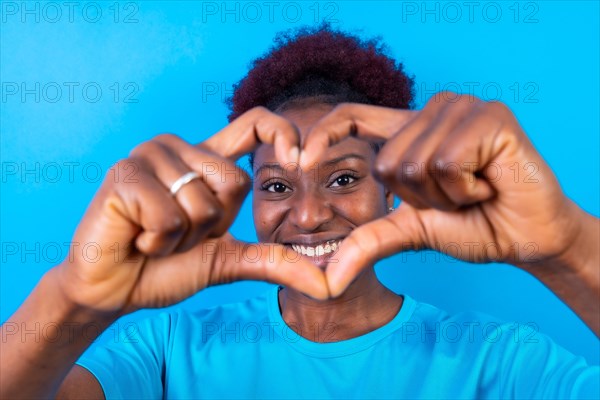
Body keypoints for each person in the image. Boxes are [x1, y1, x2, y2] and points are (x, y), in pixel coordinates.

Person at [1, 25, 598, 399]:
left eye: (343, 178)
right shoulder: (168, 351)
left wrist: (568, 247)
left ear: (395, 187)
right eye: (278, 187)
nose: (308, 216)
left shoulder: (499, 359)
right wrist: (74, 300)